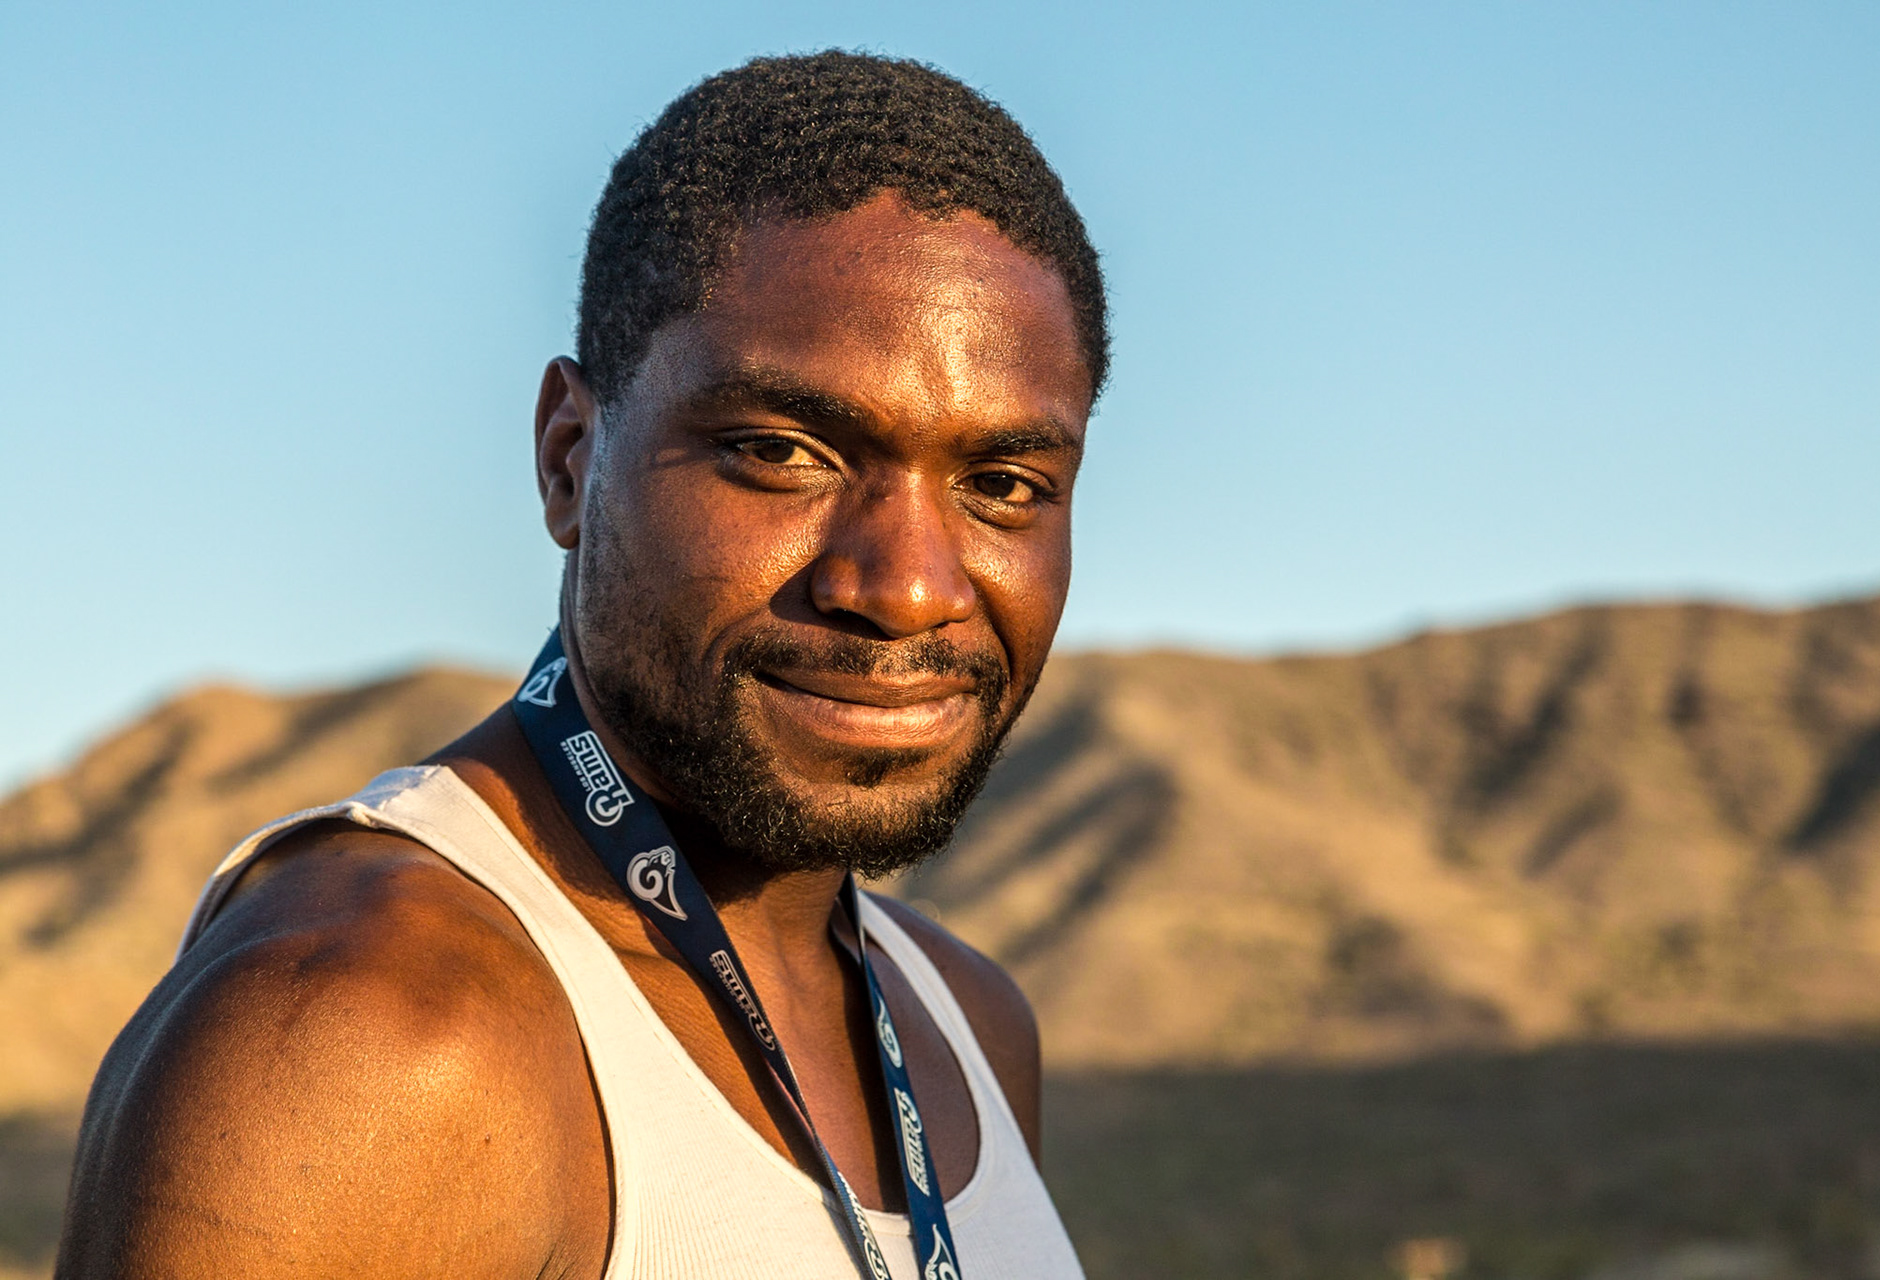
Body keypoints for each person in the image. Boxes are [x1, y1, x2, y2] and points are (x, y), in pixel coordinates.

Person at [57, 50, 1106, 1280]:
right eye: (782, 451)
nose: (908, 586)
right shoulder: (372, 1029)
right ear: (568, 455)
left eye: (1003, 483)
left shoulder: (966, 1023)